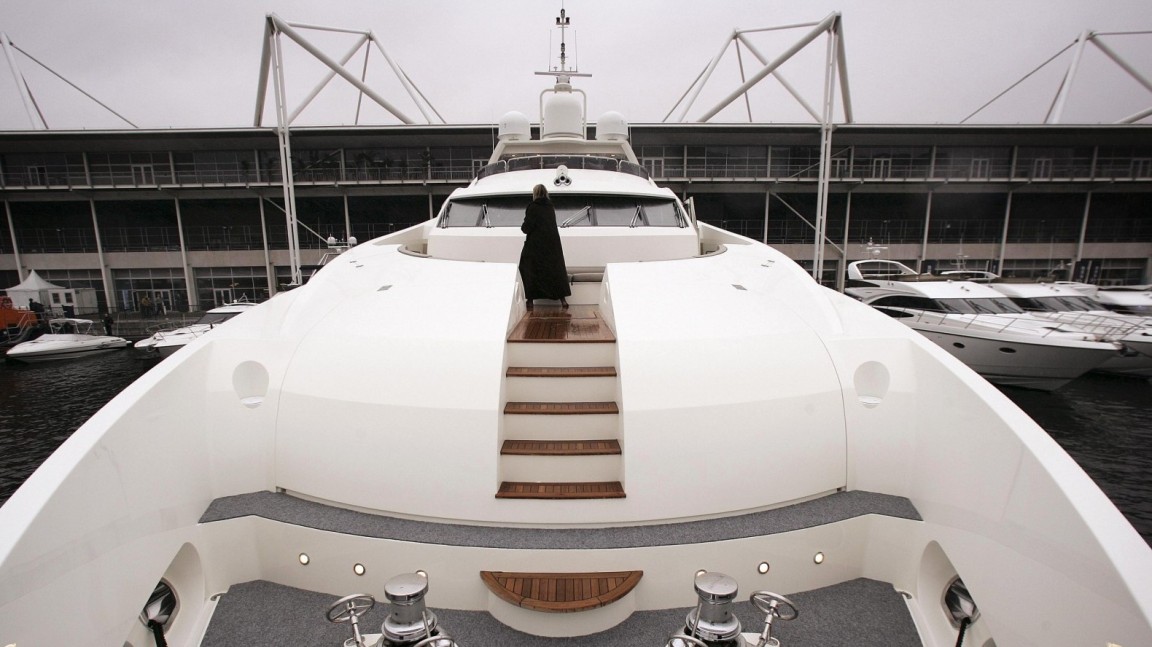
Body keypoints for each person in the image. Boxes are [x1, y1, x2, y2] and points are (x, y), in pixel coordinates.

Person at [519, 184, 571, 310]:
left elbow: (526, 228)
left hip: (535, 246)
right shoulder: (550, 207)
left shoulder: (533, 207)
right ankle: (562, 300)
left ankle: (530, 300)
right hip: (552, 245)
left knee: (527, 268)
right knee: (555, 271)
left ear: (535, 194)